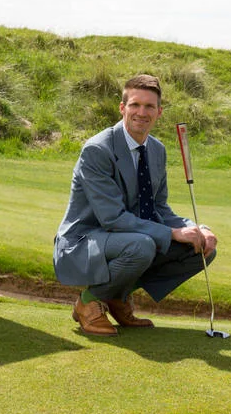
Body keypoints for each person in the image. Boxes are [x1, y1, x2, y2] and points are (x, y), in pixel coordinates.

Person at [54, 74, 218, 336]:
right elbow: (112, 218)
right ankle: (87, 302)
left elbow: (159, 209)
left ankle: (116, 296)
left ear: (159, 112)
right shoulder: (97, 149)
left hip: (129, 238)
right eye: (135, 105)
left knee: (202, 249)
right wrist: (171, 233)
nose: (142, 112)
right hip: (84, 241)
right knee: (142, 246)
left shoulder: (157, 150)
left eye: (149, 106)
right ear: (122, 108)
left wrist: (197, 228)